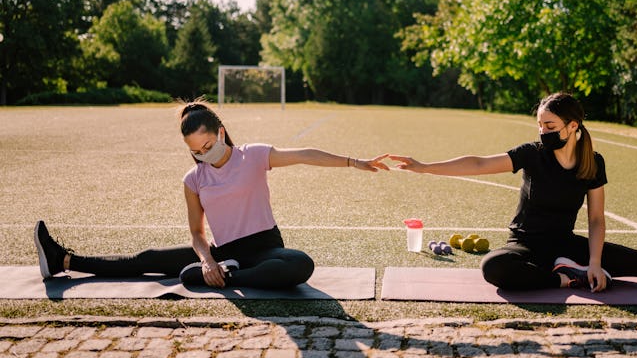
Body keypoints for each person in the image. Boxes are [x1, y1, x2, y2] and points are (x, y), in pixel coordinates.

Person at [389, 92, 637, 294]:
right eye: (540, 123)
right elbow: (477, 163)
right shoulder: (532, 154)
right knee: (494, 268)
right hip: (525, 246)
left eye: (551, 124)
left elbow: (596, 219)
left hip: (567, 245)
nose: (543, 131)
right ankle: (565, 279)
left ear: (572, 126)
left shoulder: (594, 163)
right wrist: (424, 166)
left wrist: (594, 262)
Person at [34, 100, 389, 289]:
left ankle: (226, 279)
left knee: (300, 264)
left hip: (265, 248)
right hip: (221, 253)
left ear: (220, 132)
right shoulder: (194, 179)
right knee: (146, 260)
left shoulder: (254, 155)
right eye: (197, 151)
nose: (204, 154)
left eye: (208, 145)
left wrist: (353, 162)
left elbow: (305, 154)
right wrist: (206, 261)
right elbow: (196, 234)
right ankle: (64, 260)